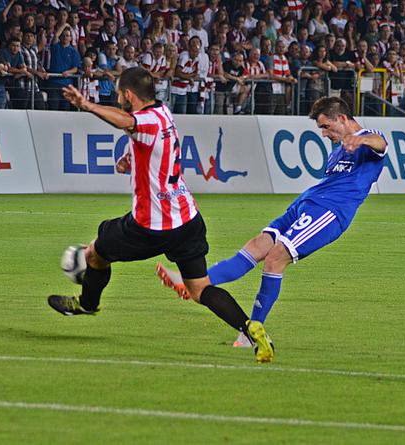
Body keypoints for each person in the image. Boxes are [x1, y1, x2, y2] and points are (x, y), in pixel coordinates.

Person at [47, 67, 274, 364]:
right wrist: (134, 158)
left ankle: (88, 304)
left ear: (129, 95)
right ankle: (250, 328)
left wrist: (86, 105)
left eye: (119, 95)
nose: (117, 99)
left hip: (151, 225)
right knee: (200, 289)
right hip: (187, 219)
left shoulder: (145, 121)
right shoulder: (163, 113)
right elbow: (148, 140)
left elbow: (126, 121)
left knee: (94, 253)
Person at [157, 96, 388, 353]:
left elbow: (381, 144)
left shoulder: (368, 138)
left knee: (275, 259)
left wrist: (362, 139)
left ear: (342, 118)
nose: (324, 133)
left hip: (330, 213)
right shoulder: (338, 150)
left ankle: (253, 329)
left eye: (326, 127)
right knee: (258, 245)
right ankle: (196, 282)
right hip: (307, 202)